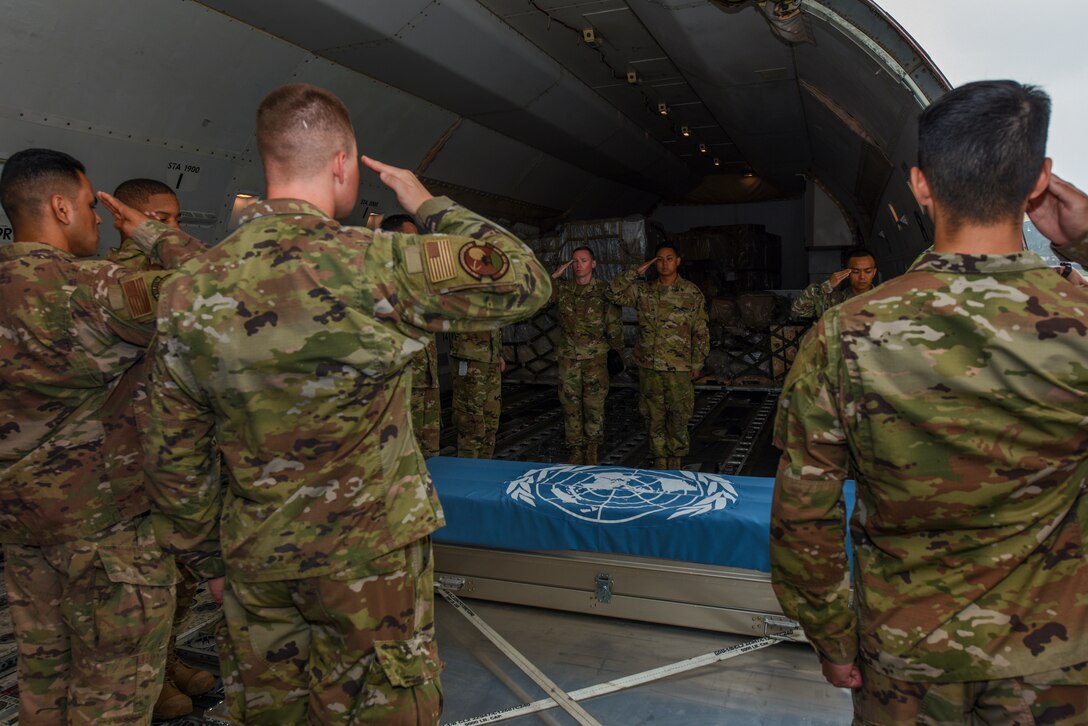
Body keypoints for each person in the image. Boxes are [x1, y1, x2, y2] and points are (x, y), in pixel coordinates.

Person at [141, 83, 551, 725]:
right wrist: (428, 202)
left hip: (256, 559)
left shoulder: (188, 287)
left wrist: (211, 561)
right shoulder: (377, 263)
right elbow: (523, 278)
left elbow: (172, 451)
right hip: (369, 563)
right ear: (342, 163)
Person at [771, 80, 1088, 725]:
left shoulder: (846, 332)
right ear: (1040, 179)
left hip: (903, 654)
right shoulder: (1079, 318)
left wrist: (831, 636)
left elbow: (805, 511)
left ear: (920, 185)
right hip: (1053, 659)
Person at [0, 148, 204, 725]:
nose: (98, 218)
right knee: (112, 691)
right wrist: (153, 235)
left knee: (44, 681)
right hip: (106, 534)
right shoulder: (92, 288)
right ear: (61, 208)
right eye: (91, 205)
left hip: (21, 526)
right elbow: (229, 288)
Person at [103, 177, 216, 720]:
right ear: (125, 218)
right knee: (142, 580)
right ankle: (146, 680)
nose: (172, 229)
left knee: (182, 570)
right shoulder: (119, 280)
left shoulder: (174, 272)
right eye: (160, 219)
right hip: (134, 450)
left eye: (176, 219)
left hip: (178, 447)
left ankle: (167, 662)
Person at [608, 242, 708, 470]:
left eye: (669, 258)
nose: (664, 264)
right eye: (659, 259)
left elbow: (701, 330)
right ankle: (659, 460)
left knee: (679, 414)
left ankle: (676, 460)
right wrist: (636, 271)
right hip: (649, 366)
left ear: (678, 261)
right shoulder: (644, 291)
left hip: (679, 367)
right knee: (652, 415)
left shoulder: (691, 292)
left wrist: (698, 362)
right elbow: (612, 293)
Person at [550, 246, 623, 464]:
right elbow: (539, 297)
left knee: (594, 404)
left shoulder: (603, 290)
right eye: (574, 261)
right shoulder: (563, 289)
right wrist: (553, 277)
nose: (578, 265)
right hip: (569, 358)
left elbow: (613, 323)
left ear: (593, 263)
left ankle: (592, 447)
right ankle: (575, 448)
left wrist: (617, 351)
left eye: (583, 260)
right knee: (570, 404)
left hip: (595, 358)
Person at [381, 213, 441, 457]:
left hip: (427, 376)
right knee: (404, 449)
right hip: (402, 381)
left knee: (431, 447)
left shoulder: (418, 277)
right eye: (410, 238)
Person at [449, 328, 505, 458]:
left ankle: (484, 466)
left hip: (492, 357)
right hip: (470, 356)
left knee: (491, 420)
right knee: (471, 422)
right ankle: (469, 467)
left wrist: (498, 352)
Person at [106, 178, 182, 270]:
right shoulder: (117, 271)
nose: (177, 228)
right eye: (162, 219)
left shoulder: (176, 262)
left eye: (178, 221)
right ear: (126, 218)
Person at [790, 246, 877, 320]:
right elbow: (797, 312)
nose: (862, 277)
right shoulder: (833, 301)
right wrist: (826, 287)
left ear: (874, 272)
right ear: (846, 273)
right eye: (855, 272)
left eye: (868, 271)